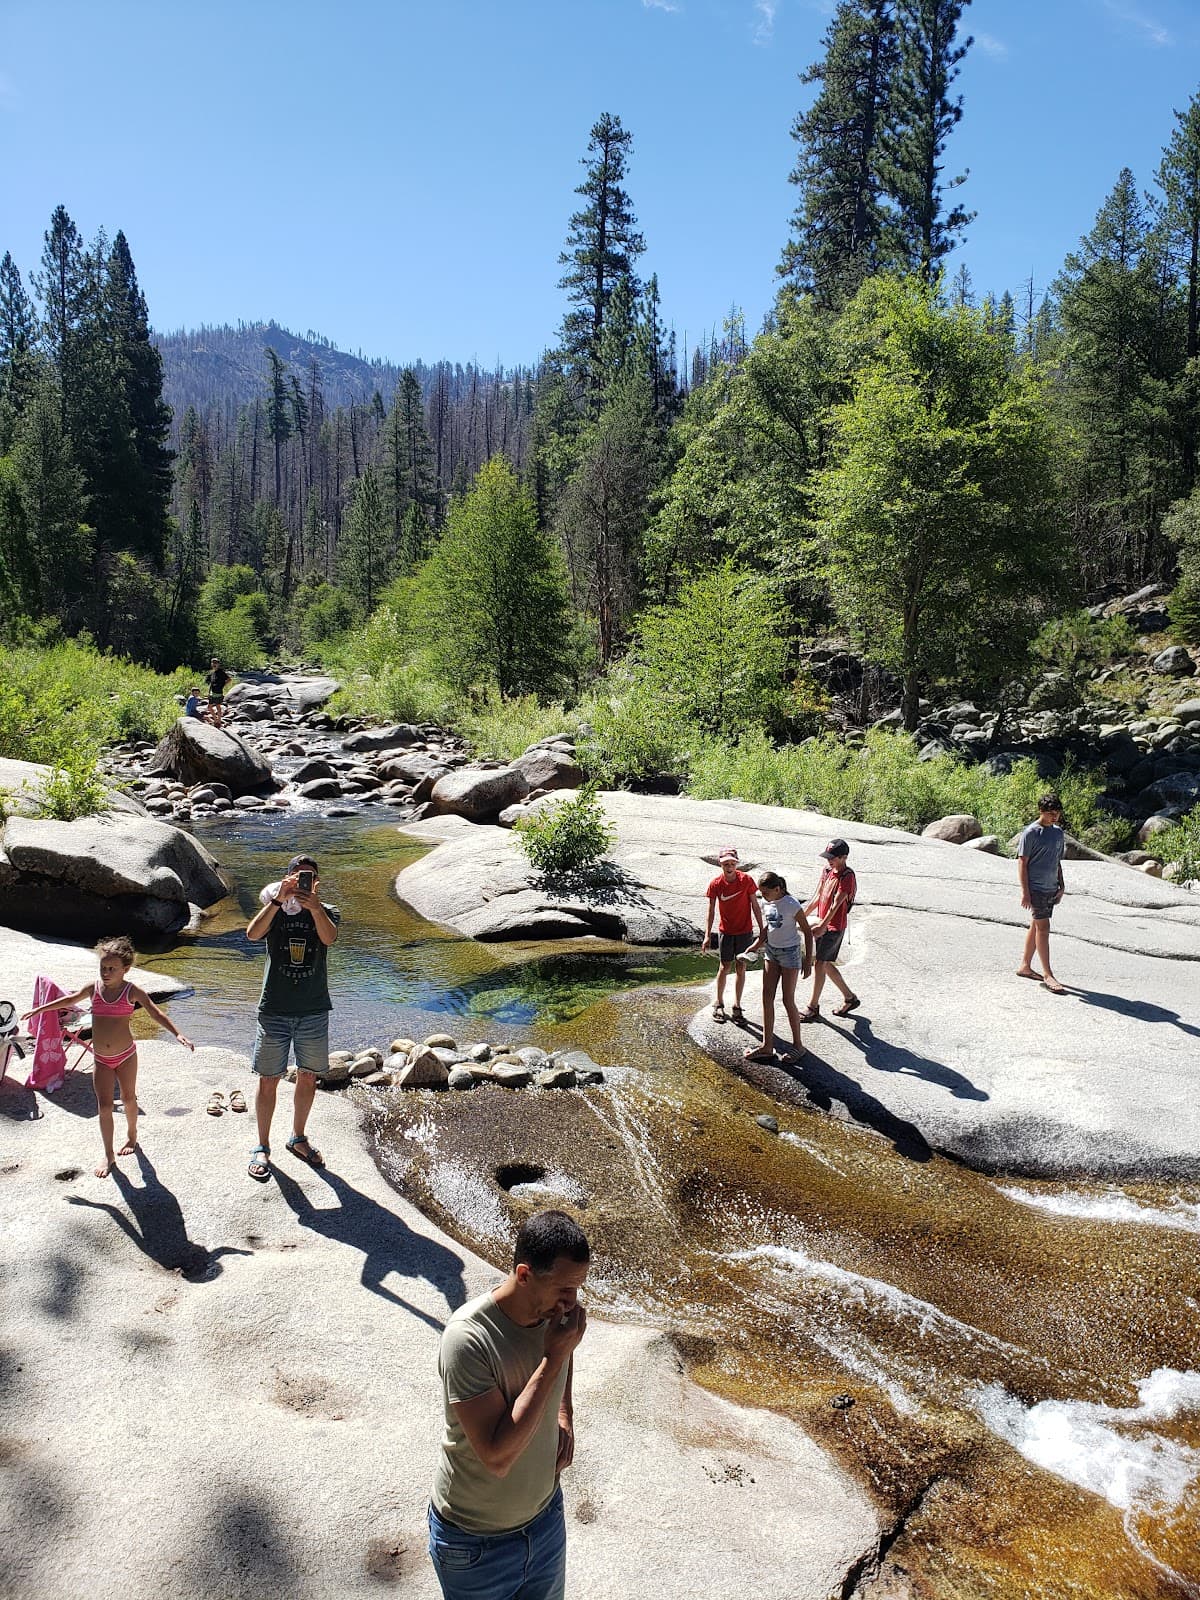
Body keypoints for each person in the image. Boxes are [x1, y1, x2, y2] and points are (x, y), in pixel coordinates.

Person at [429, 1209, 590, 1600]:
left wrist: (564, 1414)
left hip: (545, 1520)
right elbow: (497, 1457)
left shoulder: (555, 1317)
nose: (572, 1302)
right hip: (475, 1546)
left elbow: (563, 1356)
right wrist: (552, 1359)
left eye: (579, 1288)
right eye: (564, 1289)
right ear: (523, 1274)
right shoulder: (468, 1340)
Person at [22, 936, 194, 1178]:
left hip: (126, 1056)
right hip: (101, 1059)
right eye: (103, 967)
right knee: (104, 1107)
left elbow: (155, 1014)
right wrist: (39, 1009)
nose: (106, 972)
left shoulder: (132, 991)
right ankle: (108, 1154)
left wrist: (178, 1034)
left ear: (126, 969)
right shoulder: (94, 988)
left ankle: (132, 1136)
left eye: (112, 968)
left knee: (128, 1099)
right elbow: (70, 1000)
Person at [245, 853, 340, 1180]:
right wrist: (276, 900)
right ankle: (262, 1146)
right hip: (274, 1008)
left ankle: (298, 1138)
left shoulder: (327, 912)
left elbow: (329, 938)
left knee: (308, 1076)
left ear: (316, 883)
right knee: (268, 1078)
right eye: (297, 876)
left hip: (313, 1009)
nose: (303, 882)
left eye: (309, 877)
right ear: (287, 878)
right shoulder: (274, 911)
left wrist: (314, 907)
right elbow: (252, 935)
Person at [744, 871, 814, 1064]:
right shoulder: (768, 902)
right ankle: (767, 1046)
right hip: (772, 951)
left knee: (787, 999)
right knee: (767, 996)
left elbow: (807, 932)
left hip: (790, 953)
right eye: (761, 893)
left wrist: (807, 961)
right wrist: (757, 944)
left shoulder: (791, 904)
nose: (763, 896)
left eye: (766, 893)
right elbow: (769, 926)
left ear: (778, 889)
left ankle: (798, 1046)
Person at [701, 845, 765, 1024]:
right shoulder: (715, 884)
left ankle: (737, 1006)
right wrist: (707, 935)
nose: (729, 867)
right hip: (726, 932)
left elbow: (755, 905)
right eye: (725, 864)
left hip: (744, 932)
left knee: (741, 967)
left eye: (732, 863)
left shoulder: (746, 880)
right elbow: (711, 910)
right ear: (720, 865)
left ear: (736, 864)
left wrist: (762, 930)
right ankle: (719, 1002)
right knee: (724, 966)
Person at [802, 839, 860, 1020]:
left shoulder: (847, 876)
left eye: (833, 857)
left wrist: (823, 925)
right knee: (825, 964)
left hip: (833, 927)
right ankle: (850, 998)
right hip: (822, 922)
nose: (829, 860)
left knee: (820, 964)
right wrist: (801, 916)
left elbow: (837, 903)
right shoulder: (827, 871)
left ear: (844, 857)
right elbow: (818, 896)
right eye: (828, 857)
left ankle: (813, 1007)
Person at [1016, 792, 1067, 994]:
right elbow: (1022, 862)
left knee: (1035, 927)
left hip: (1050, 887)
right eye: (1050, 813)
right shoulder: (1031, 833)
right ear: (1041, 812)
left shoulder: (1058, 833)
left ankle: (1025, 966)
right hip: (1035, 888)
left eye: (1057, 813)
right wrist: (1025, 892)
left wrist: (1061, 885)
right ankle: (1048, 974)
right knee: (1043, 928)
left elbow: (1057, 860)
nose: (1054, 817)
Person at [205, 657, 230, 727]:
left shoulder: (221, 672)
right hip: (212, 692)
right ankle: (217, 721)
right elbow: (211, 683)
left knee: (217, 706)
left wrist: (222, 685)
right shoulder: (212, 672)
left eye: (215, 663)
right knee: (210, 707)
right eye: (213, 663)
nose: (214, 664)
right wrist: (209, 692)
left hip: (218, 692)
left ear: (218, 664)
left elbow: (229, 679)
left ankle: (218, 721)